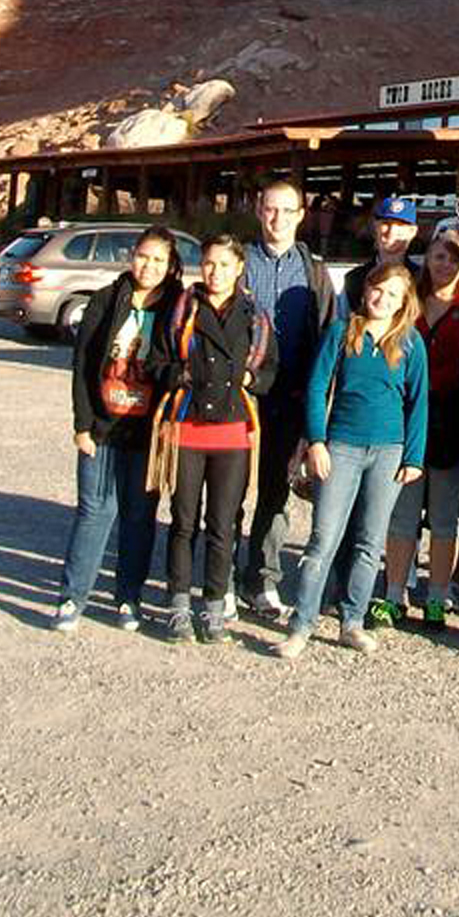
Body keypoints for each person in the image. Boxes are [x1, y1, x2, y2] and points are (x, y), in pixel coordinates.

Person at [277, 263, 428, 659]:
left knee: (369, 542)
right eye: (378, 290)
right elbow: (316, 387)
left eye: (393, 294)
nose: (383, 299)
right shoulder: (342, 332)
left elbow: (418, 403)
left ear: (404, 302)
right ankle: (302, 623)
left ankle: (352, 620)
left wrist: (413, 455)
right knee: (323, 538)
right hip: (341, 446)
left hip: (389, 451)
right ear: (366, 291)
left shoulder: (410, 343)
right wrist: (317, 441)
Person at [146, 234, 277, 644]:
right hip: (187, 427)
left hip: (233, 431)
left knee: (223, 525)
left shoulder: (255, 316)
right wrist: (182, 377)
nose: (215, 272)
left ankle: (215, 607)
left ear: (239, 268)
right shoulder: (182, 310)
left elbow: (270, 368)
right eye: (209, 264)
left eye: (224, 265)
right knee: (184, 522)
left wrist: (251, 379)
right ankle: (179, 606)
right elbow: (158, 361)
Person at [54, 226, 185, 634]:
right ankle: (72, 597)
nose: (149, 266)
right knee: (94, 511)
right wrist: (82, 424)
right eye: (144, 256)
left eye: (158, 260)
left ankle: (128, 597)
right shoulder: (107, 300)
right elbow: (83, 364)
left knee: (139, 515)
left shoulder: (178, 309)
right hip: (103, 425)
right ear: (132, 256)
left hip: (148, 431)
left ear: (171, 265)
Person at [372, 228, 459, 629]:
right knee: (402, 511)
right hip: (406, 412)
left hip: (452, 415)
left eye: (452, 258)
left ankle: (438, 595)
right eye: (437, 256)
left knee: (444, 514)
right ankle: (394, 592)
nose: (444, 264)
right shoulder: (410, 300)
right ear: (426, 258)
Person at [240, 181, 335, 623]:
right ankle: (218, 575)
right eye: (270, 209)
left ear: (301, 215)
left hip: (291, 395)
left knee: (275, 489)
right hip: (238, 395)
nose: (277, 218)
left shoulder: (314, 272)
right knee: (227, 487)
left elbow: (328, 337)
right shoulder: (238, 262)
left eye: (287, 210)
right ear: (259, 210)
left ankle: (263, 578)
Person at [341, 193, 420, 314]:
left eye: (400, 225)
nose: (391, 231)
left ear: (412, 231)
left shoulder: (422, 278)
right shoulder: (354, 279)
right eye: (386, 224)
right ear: (375, 226)